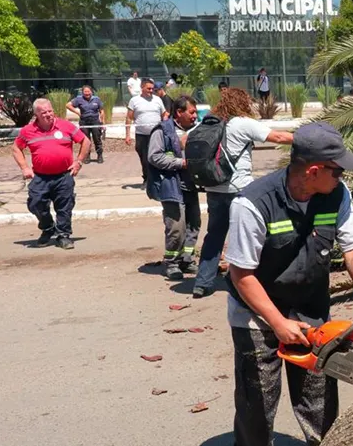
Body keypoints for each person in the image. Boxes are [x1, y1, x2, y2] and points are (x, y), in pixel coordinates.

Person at [224, 121, 353, 446]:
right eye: (337, 168)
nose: (343, 175)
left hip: (309, 303)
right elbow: (241, 274)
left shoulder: (335, 194)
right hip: (257, 311)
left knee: (317, 384)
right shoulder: (252, 204)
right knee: (258, 391)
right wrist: (277, 323)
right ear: (313, 171)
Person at [192, 87, 294, 299]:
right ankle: (258, 279)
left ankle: (202, 283)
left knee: (215, 236)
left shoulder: (210, 123)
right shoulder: (242, 123)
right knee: (255, 233)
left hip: (214, 188)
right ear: (243, 103)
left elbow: (186, 141)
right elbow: (278, 137)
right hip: (240, 189)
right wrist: (309, 137)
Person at [12, 99, 90, 249]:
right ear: (36, 114)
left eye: (50, 111)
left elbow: (85, 141)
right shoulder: (28, 131)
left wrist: (78, 162)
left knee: (64, 207)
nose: (48, 114)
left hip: (63, 176)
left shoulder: (65, 125)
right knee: (35, 203)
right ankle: (48, 228)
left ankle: (63, 235)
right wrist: (24, 168)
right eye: (44, 112)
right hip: (40, 177)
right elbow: (16, 148)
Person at [147, 95, 202, 281]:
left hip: (191, 186)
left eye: (196, 112)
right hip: (171, 187)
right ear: (179, 112)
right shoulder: (162, 130)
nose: (195, 116)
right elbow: (154, 157)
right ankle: (171, 263)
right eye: (192, 112)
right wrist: (182, 163)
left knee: (193, 225)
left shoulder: (197, 129)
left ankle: (187, 260)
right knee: (176, 227)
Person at [126, 78, 168, 183]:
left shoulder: (158, 100)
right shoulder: (134, 101)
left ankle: (158, 178)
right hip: (141, 135)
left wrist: (166, 127)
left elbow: (164, 114)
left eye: (152, 89)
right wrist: (127, 135)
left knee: (157, 157)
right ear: (142, 87)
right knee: (144, 159)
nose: (151, 91)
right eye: (148, 88)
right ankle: (147, 179)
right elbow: (129, 118)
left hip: (157, 134)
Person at [66, 85, 105, 164]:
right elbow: (68, 105)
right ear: (82, 92)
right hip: (84, 122)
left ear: (91, 92)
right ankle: (87, 156)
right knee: (85, 140)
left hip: (95, 121)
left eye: (88, 91)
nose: (87, 93)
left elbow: (102, 111)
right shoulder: (79, 99)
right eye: (85, 92)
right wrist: (77, 112)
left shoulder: (96, 99)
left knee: (97, 139)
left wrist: (102, 122)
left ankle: (100, 155)